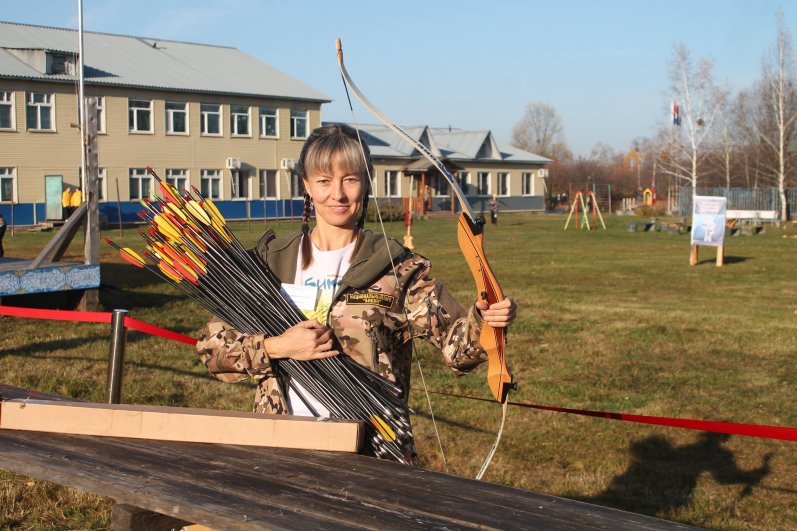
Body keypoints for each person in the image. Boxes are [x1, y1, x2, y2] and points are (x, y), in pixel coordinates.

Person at [196, 124, 516, 460]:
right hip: (280, 447)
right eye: (324, 181)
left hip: (372, 449)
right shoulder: (271, 261)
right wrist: (277, 346)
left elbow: (458, 349)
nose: (338, 194)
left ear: (366, 182)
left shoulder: (396, 267)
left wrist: (486, 320)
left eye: (350, 179)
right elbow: (212, 349)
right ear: (306, 184)